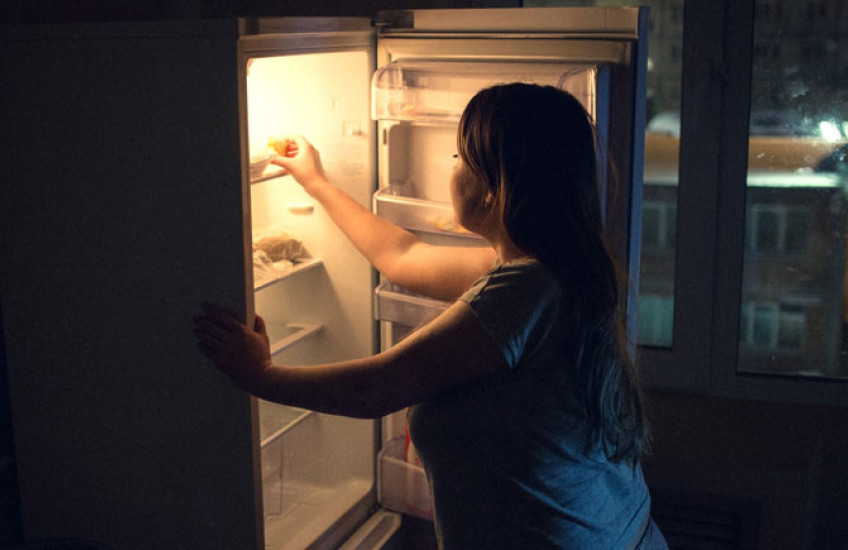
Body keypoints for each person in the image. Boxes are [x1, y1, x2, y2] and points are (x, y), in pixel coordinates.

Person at [194, 83, 668, 550]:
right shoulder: (557, 269)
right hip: (620, 530)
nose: (454, 169)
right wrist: (316, 183)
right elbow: (404, 256)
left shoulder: (528, 290)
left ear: (496, 184)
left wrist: (260, 375)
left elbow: (375, 389)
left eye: (460, 157)